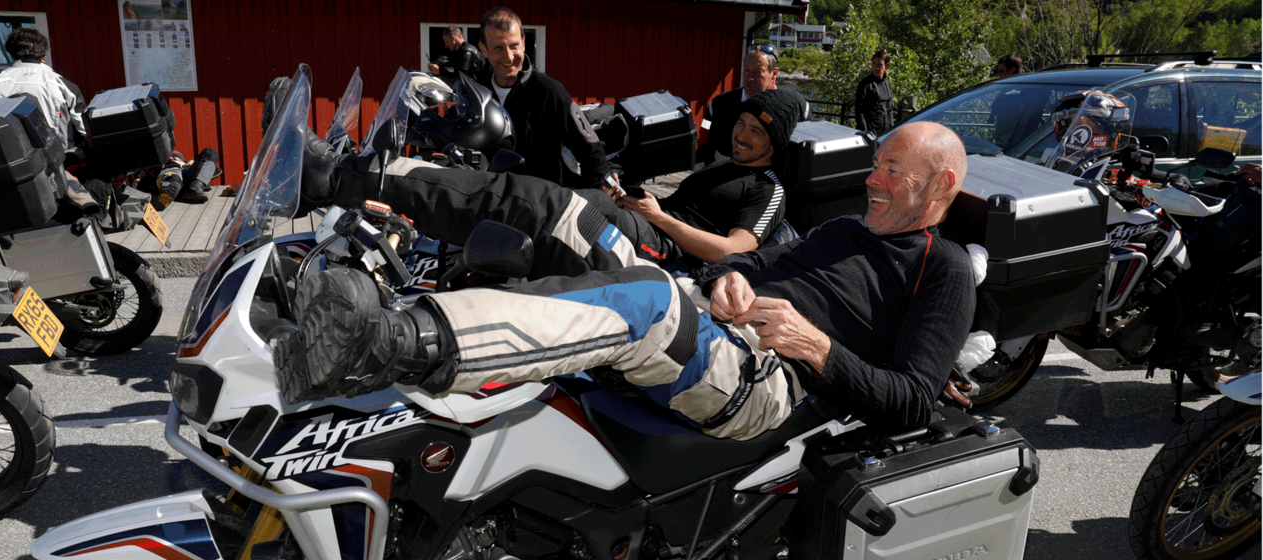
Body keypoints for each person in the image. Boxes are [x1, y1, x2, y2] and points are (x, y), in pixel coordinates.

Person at [276, 121, 975, 441]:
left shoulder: (939, 270)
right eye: (875, 164)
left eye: (891, 171)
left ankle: (386, 343)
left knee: (646, 304)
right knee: (564, 207)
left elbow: (913, 402)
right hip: (706, 318)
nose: (871, 180)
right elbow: (748, 262)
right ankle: (340, 178)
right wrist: (730, 277)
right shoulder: (840, 231)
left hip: (768, 382)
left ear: (938, 186)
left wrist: (813, 346)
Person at [291, 87, 801, 278]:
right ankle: (359, 182)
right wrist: (627, 197)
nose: (742, 136)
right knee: (503, 192)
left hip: (656, 251)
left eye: (756, 133)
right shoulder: (721, 167)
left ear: (775, 142)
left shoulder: (769, 188)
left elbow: (734, 251)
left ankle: (334, 178)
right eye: (741, 124)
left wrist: (659, 216)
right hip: (633, 222)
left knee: (529, 204)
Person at [475, 7, 610, 187]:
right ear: (484, 49)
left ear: (523, 43)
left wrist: (598, 199)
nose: (509, 56)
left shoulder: (549, 91)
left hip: (543, 205)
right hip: (491, 200)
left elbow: (590, 150)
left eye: (514, 45)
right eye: (498, 48)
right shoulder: (477, 91)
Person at [0, 28, 85, 148]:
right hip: (60, 158)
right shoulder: (62, 84)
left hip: (13, 157)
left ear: (11, 53)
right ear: (44, 56)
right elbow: (83, 128)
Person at [697, 44, 798, 164]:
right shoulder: (718, 103)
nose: (750, 77)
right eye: (747, 70)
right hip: (720, 173)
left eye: (758, 71)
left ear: (774, 73)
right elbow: (704, 131)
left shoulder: (795, 107)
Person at [855, 50, 893, 135]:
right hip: (870, 130)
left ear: (886, 66)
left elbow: (890, 110)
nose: (876, 68)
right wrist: (864, 132)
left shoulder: (887, 84)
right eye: (874, 64)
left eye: (880, 65)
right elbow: (859, 111)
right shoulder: (865, 84)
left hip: (884, 130)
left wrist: (891, 130)